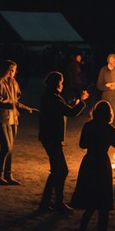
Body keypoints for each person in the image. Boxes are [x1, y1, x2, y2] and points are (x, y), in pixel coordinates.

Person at [70, 100, 115, 231]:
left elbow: (83, 144)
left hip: (89, 162)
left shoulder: (88, 125)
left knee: (90, 200)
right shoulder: (108, 128)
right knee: (103, 202)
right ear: (109, 114)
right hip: (101, 164)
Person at [38, 71, 89, 214]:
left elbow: (64, 109)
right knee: (60, 171)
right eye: (61, 82)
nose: (62, 84)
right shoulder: (53, 98)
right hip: (52, 138)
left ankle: (49, 202)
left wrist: (75, 102)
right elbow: (71, 113)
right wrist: (82, 101)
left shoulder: (51, 95)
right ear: (56, 83)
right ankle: (54, 203)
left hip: (49, 137)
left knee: (57, 171)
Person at [0, 59, 36, 185]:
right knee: (6, 147)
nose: (14, 73)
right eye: (13, 70)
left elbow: (15, 100)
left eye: (14, 71)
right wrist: (16, 106)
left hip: (13, 117)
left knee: (10, 148)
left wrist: (26, 108)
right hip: (1, 117)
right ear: (9, 70)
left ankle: (8, 175)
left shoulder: (13, 82)